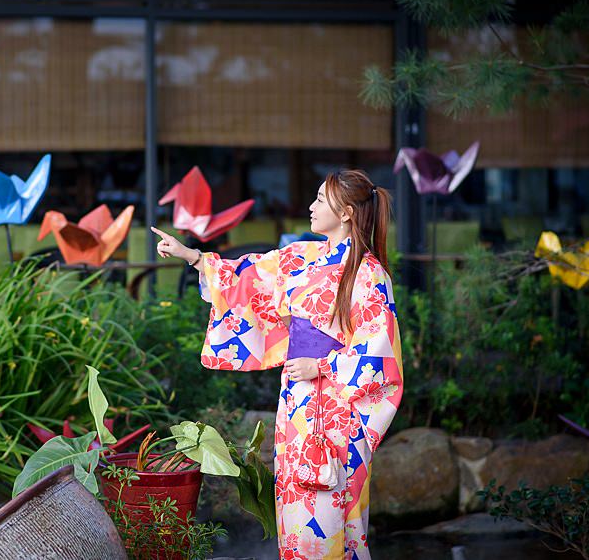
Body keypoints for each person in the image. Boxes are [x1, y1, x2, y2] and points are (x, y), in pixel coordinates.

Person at [151, 169, 403, 560]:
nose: (311, 206)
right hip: (297, 401)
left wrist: (323, 367)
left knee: (334, 515)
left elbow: (380, 354)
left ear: (348, 212)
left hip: (337, 413)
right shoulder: (304, 256)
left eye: (321, 199)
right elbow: (250, 278)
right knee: (295, 510)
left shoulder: (369, 275)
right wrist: (194, 257)